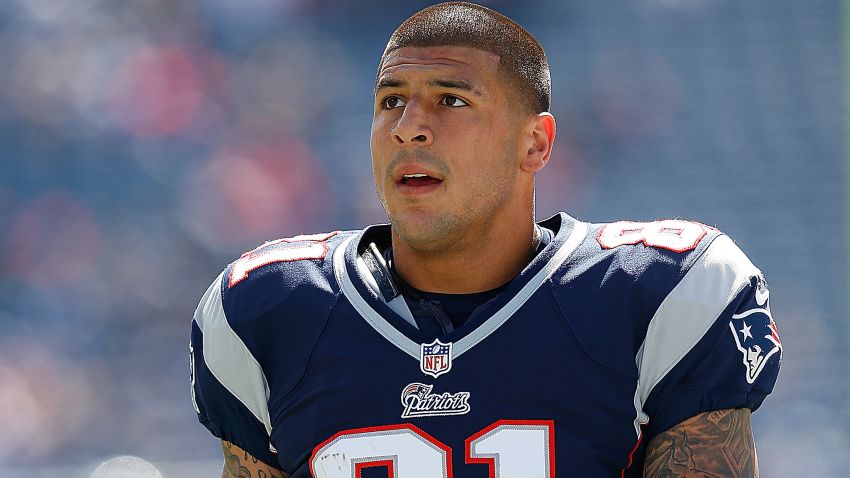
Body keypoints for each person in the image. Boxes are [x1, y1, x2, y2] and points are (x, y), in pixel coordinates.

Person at [189, 2, 782, 477]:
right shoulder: (268, 310)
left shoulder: (655, 294)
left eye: (452, 100)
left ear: (536, 144)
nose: (408, 127)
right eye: (391, 101)